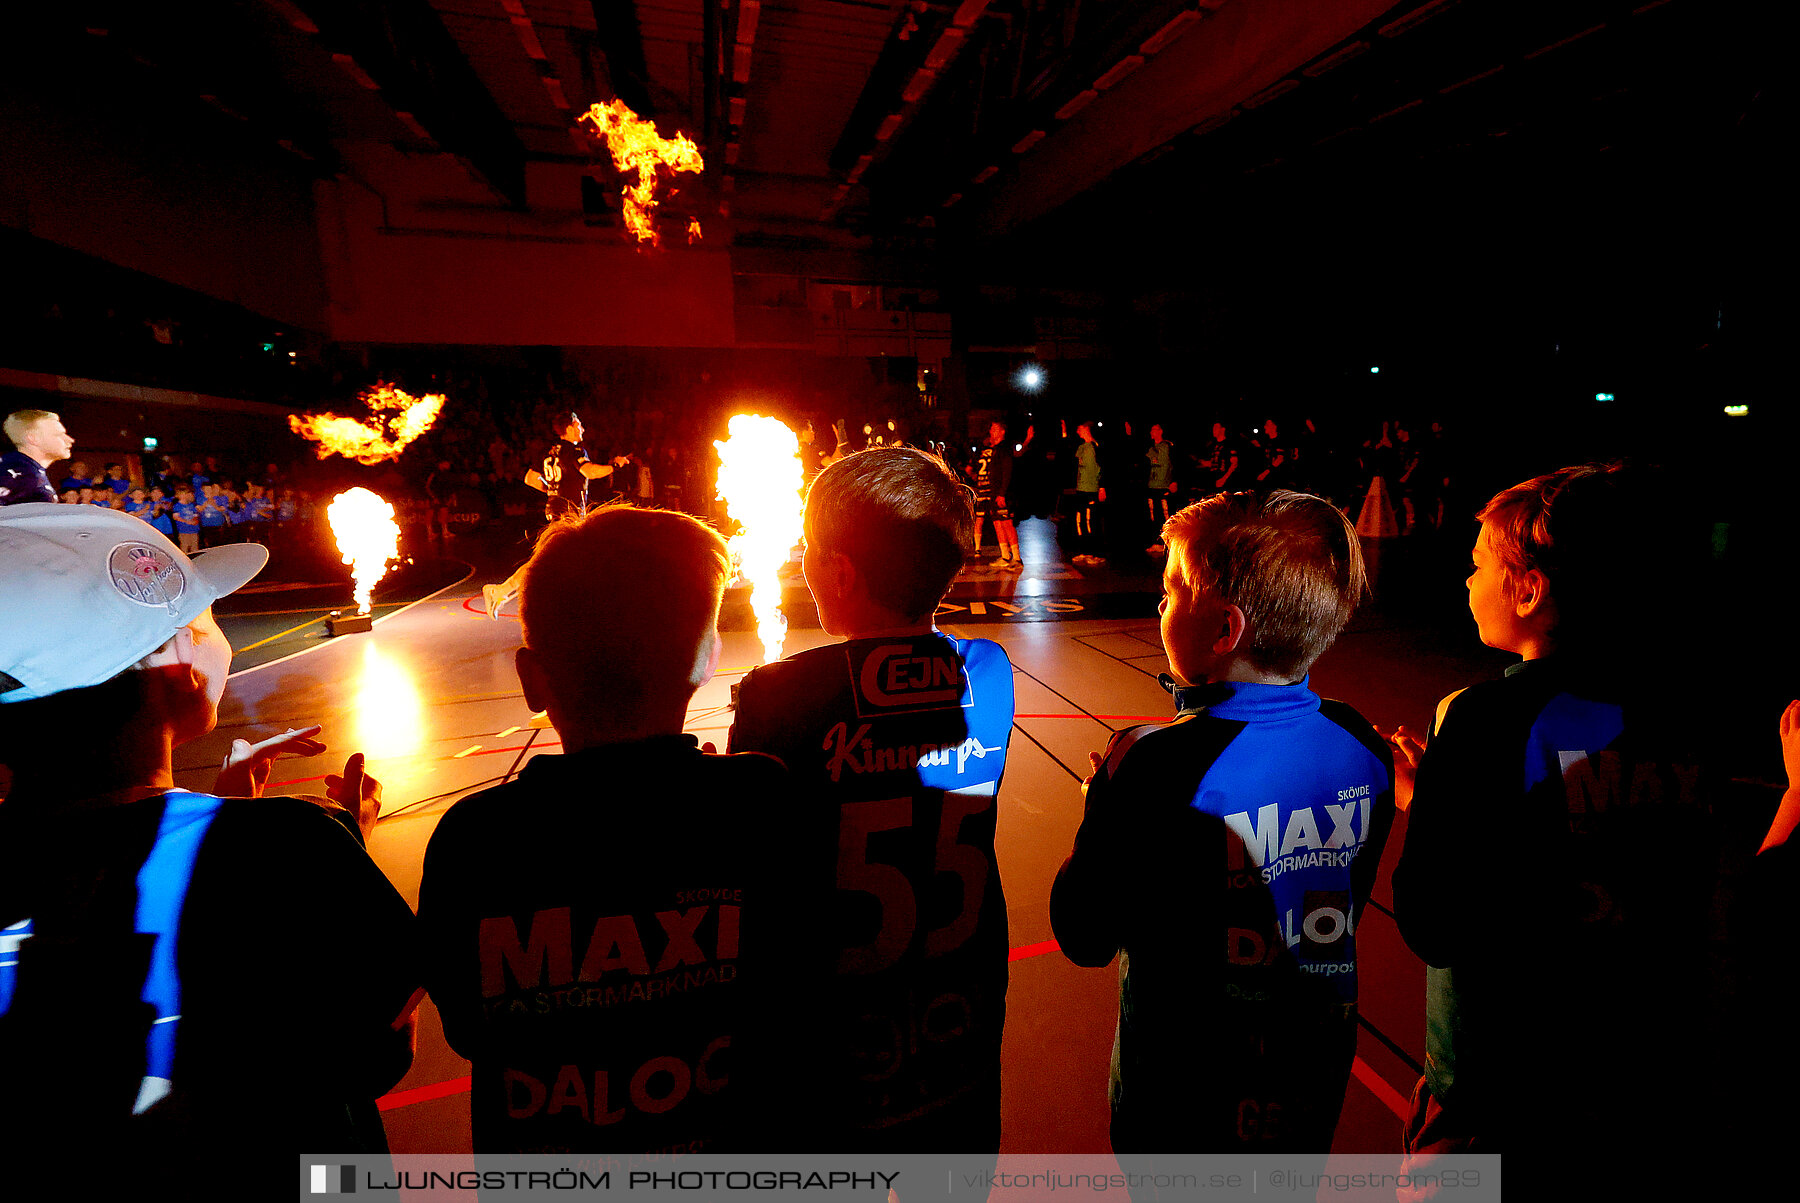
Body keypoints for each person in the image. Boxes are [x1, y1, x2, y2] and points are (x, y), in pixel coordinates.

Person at [0, 503, 416, 1177]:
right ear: (176, 665)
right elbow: (373, 1050)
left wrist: (219, 824)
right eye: (202, 619)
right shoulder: (290, 850)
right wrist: (337, 849)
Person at [1388, 463, 1737, 1162]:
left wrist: (1430, 802)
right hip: (1648, 1080)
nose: (1466, 578)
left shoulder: (1481, 718)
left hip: (1500, 1100)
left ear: (1529, 588)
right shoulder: (1687, 718)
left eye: (1479, 563)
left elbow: (1435, 920)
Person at [419, 505, 795, 1154]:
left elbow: (469, 1029)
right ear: (706, 662)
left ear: (532, 680)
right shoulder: (762, 802)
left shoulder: (473, 841)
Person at [1051, 490, 1392, 1157]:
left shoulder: (1151, 762)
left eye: (1173, 589)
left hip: (1181, 1097)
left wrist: (1104, 807)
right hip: (1308, 1074)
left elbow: (1084, 931)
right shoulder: (1359, 741)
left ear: (1223, 631)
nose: (1159, 603)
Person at [729, 447, 1016, 1155]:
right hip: (959, 1028)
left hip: (833, 1056)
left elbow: (750, 864)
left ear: (841, 572)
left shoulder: (779, 693)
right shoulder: (988, 673)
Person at [481, 412, 625, 620]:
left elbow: (530, 478)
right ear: (568, 428)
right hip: (568, 514)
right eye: (579, 424)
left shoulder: (549, 451)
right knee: (548, 560)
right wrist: (615, 465)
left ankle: (509, 593)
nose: (582, 428)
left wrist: (553, 490)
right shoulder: (575, 450)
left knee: (556, 559)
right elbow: (590, 472)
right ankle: (501, 592)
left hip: (557, 510)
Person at [972, 420, 1021, 571]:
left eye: (994, 429)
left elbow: (1007, 472)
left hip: (1001, 494)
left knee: (1007, 524)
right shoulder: (995, 449)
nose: (991, 432)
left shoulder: (1004, 449)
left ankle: (1017, 558)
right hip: (993, 494)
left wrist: (1002, 494)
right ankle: (1005, 556)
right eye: (991, 429)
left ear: (1001, 432)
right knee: (997, 524)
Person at [1, 410, 74, 507]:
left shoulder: (29, 471)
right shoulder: (19, 477)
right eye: (58, 435)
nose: (70, 440)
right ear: (33, 438)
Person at [1071, 421, 1105, 565]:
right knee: (1080, 520)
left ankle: (1095, 552)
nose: (1077, 430)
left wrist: (1102, 487)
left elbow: (1103, 467)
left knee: (1091, 521)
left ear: (1086, 429)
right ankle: (1084, 551)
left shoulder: (1096, 446)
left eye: (1080, 427)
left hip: (1092, 489)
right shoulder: (1081, 447)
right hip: (1081, 489)